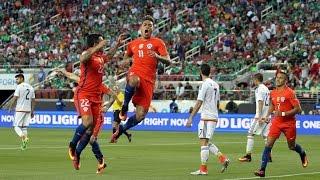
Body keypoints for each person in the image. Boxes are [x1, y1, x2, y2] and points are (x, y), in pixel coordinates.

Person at [68, 33, 124, 173]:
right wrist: (99, 45)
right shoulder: (88, 55)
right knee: (87, 123)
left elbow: (109, 56)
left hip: (96, 99)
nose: (103, 43)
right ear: (94, 43)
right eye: (100, 41)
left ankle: (82, 157)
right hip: (84, 93)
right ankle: (72, 145)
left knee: (89, 130)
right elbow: (82, 58)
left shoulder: (100, 58)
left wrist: (117, 44)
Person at [112, 15, 171, 141]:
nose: (147, 27)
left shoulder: (158, 42)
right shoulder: (133, 43)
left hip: (149, 81)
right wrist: (126, 62)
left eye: (150, 25)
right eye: (145, 24)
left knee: (140, 116)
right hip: (135, 74)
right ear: (141, 27)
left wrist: (157, 56)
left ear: (153, 29)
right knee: (133, 80)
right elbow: (125, 59)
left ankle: (121, 130)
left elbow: (168, 61)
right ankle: (125, 106)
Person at [254, 71, 308, 177]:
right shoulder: (273, 92)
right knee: (268, 144)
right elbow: (272, 106)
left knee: (291, 146)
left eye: (281, 78)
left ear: (285, 80)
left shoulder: (290, 92)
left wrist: (283, 113)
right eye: (277, 77)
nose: (278, 79)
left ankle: (302, 153)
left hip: (289, 123)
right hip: (277, 122)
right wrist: (267, 115)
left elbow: (298, 109)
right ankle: (262, 170)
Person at [186, 64, 230, 175]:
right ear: (209, 72)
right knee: (207, 141)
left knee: (203, 142)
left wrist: (191, 117)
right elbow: (218, 102)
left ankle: (203, 169)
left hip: (206, 117)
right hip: (214, 116)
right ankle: (222, 158)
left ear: (201, 72)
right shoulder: (216, 84)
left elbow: (199, 102)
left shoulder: (204, 84)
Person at [239, 73, 272, 162]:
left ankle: (248, 156)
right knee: (265, 136)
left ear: (256, 79)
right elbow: (270, 103)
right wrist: (268, 115)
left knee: (250, 134)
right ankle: (268, 156)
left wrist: (260, 117)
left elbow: (260, 102)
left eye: (253, 79)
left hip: (260, 116)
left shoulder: (259, 89)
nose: (253, 81)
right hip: (267, 116)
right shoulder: (267, 89)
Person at [9, 74, 35, 150]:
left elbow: (15, 97)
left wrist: (10, 106)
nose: (16, 81)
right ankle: (24, 145)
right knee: (24, 128)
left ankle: (24, 137)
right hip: (28, 110)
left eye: (17, 79)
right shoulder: (31, 87)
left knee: (16, 126)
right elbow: (34, 101)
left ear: (21, 78)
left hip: (20, 109)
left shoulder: (19, 87)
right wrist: (32, 111)